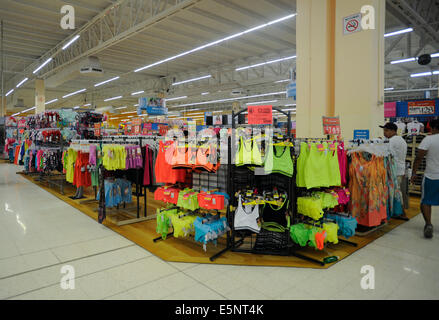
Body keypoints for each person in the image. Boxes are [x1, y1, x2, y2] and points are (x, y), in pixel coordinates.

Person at [411, 119, 439, 238]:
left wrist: (413, 172)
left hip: (431, 176)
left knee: (426, 201)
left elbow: (419, 157)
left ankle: (428, 224)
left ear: (433, 128)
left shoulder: (429, 139)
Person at [380, 122, 408, 214]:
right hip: (400, 169)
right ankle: (399, 211)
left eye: (386, 130)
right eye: (384, 130)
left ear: (393, 131)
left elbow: (385, 153)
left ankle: (401, 212)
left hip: (395, 170)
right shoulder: (401, 140)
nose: (384, 133)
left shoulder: (392, 141)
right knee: (398, 190)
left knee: (396, 192)